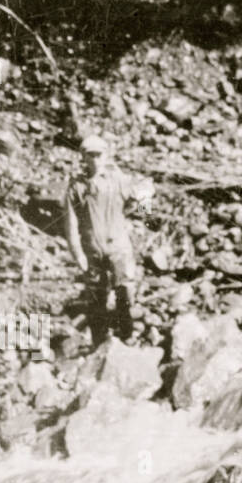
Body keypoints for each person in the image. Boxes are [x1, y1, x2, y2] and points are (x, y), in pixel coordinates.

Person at [64, 134, 138, 345]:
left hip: (118, 248)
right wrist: (77, 253)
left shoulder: (119, 180)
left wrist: (136, 214)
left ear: (106, 156)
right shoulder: (76, 187)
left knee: (124, 292)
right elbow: (71, 224)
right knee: (97, 297)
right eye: (90, 156)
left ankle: (126, 337)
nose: (95, 160)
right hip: (92, 251)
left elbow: (143, 197)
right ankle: (98, 343)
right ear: (83, 158)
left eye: (99, 155)